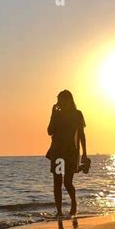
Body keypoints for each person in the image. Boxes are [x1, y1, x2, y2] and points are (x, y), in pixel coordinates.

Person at [46, 90, 88, 219]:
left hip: (71, 153)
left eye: (60, 99)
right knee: (57, 182)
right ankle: (59, 211)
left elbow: (81, 134)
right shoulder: (57, 115)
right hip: (57, 153)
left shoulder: (77, 114)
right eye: (58, 99)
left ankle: (73, 203)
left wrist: (85, 153)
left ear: (68, 100)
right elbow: (49, 131)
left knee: (67, 182)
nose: (58, 102)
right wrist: (53, 115)